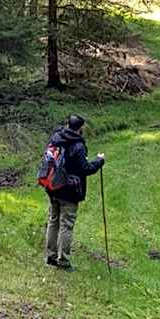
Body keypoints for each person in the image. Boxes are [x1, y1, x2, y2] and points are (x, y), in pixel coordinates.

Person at [44, 114, 105, 271]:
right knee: (67, 224)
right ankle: (63, 260)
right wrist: (99, 161)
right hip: (70, 191)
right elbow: (86, 169)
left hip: (53, 186)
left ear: (67, 124)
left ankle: (50, 257)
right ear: (80, 129)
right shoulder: (78, 146)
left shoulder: (56, 138)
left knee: (53, 220)